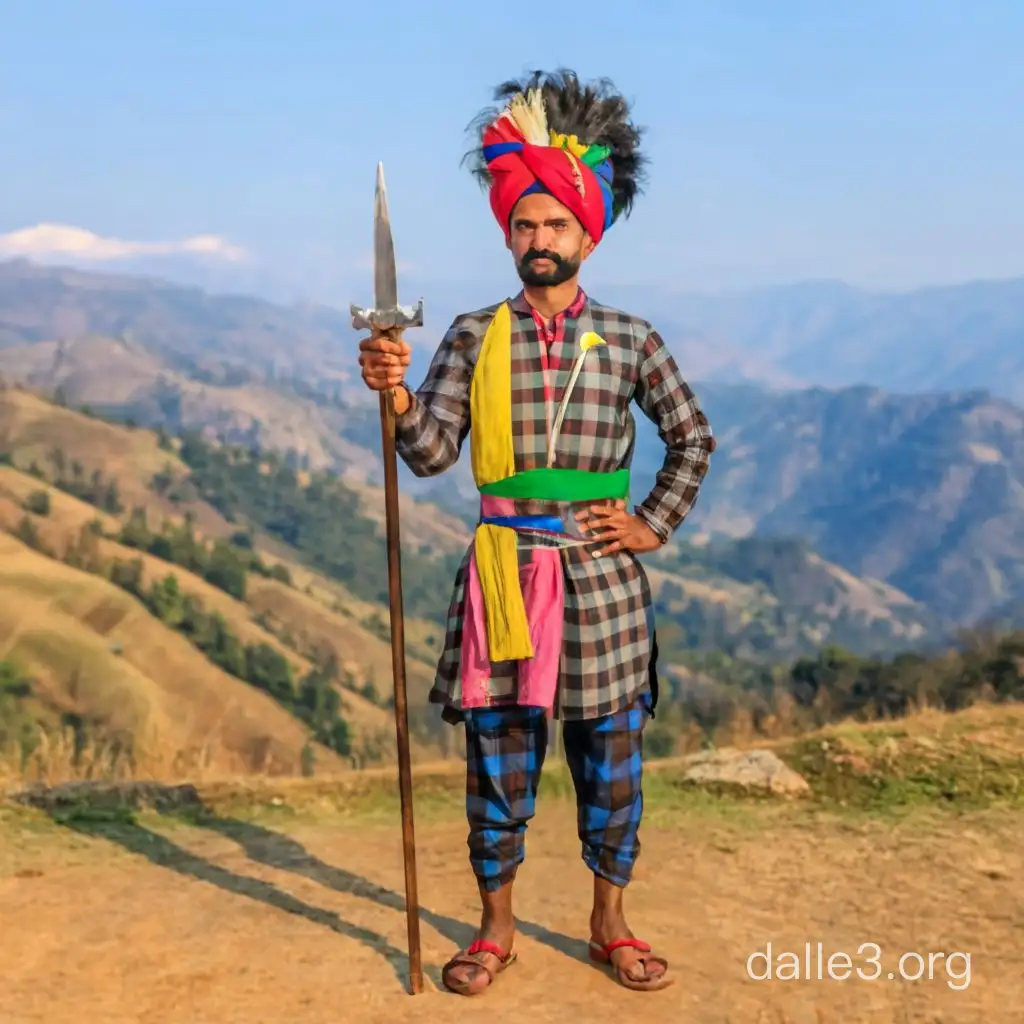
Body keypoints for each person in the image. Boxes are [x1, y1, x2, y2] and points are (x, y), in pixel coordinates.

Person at [358, 69, 716, 995]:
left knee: (610, 754)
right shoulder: (475, 335)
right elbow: (431, 453)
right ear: (508, 232)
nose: (539, 239)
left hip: (600, 575)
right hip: (504, 570)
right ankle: (495, 930)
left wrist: (650, 524)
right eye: (525, 224)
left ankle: (610, 924)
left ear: (587, 232)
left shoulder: (632, 339)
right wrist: (394, 390)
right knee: (500, 755)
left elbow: (692, 435)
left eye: (556, 224)